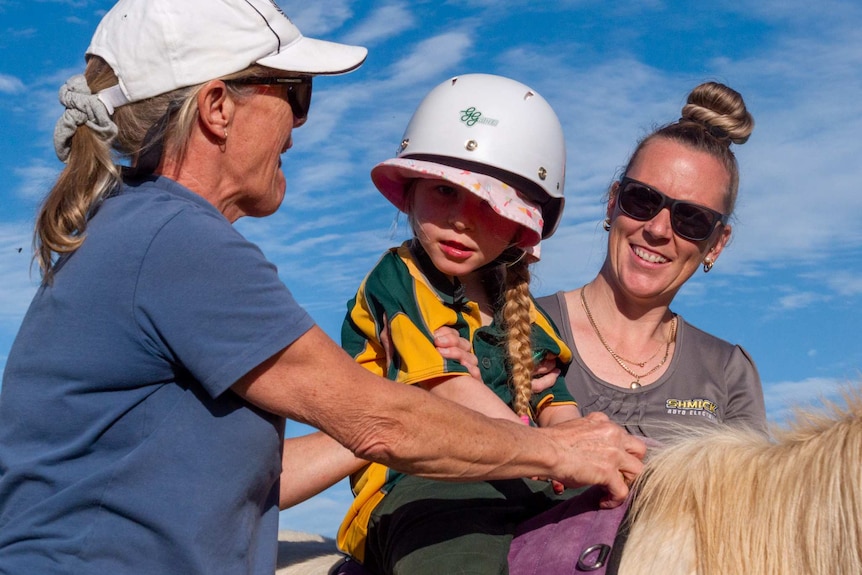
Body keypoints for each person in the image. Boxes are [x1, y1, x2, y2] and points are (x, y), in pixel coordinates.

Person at [0, 1, 645, 574]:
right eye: (295, 92)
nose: (301, 124)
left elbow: (261, 480)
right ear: (218, 107)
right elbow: (379, 424)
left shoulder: (138, 229)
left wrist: (396, 403)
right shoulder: (180, 242)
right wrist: (556, 451)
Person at [336, 74, 582, 575]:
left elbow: (554, 400)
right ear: (410, 193)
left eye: (489, 207)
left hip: (519, 474)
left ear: (520, 225)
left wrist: (577, 448)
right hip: (417, 482)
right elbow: (447, 389)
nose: (462, 221)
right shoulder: (397, 281)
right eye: (445, 192)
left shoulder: (519, 308)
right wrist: (550, 453)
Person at [537, 81, 766, 440]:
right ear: (613, 202)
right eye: (642, 200)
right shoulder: (520, 325)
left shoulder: (726, 373)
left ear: (716, 244)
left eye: (691, 219)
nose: (658, 229)